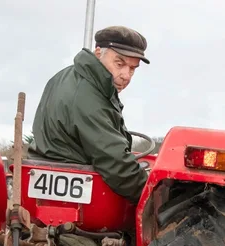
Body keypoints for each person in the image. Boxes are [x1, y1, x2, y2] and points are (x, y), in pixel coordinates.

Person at [28, 26, 150, 202]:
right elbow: (115, 163)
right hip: (77, 186)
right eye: (119, 64)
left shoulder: (65, 77)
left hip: (47, 169)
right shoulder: (89, 97)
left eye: (132, 69)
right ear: (98, 52)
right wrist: (155, 197)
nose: (126, 75)